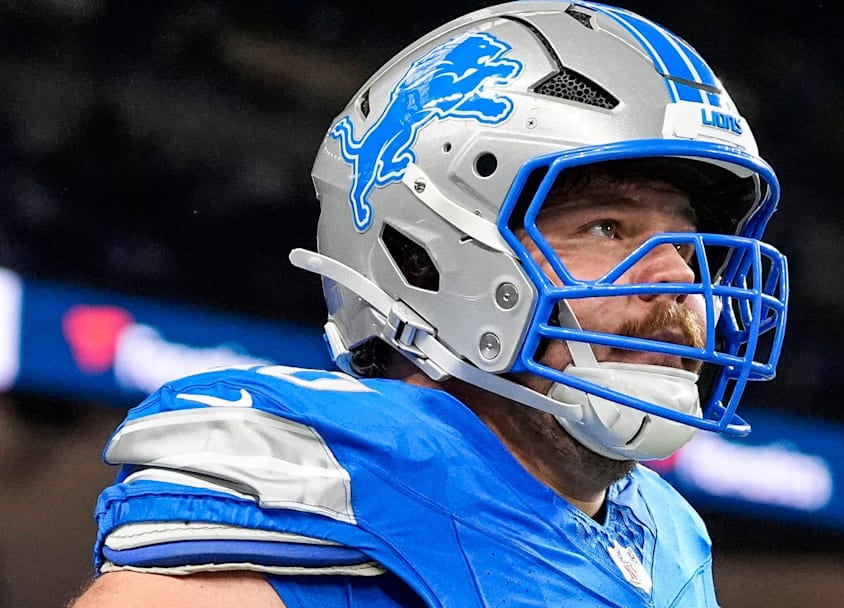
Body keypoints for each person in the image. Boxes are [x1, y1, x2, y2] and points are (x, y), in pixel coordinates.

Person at [71, 1, 788, 606]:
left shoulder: (667, 541)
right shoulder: (329, 493)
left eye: (688, 245)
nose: (678, 279)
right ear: (425, 254)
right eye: (608, 227)